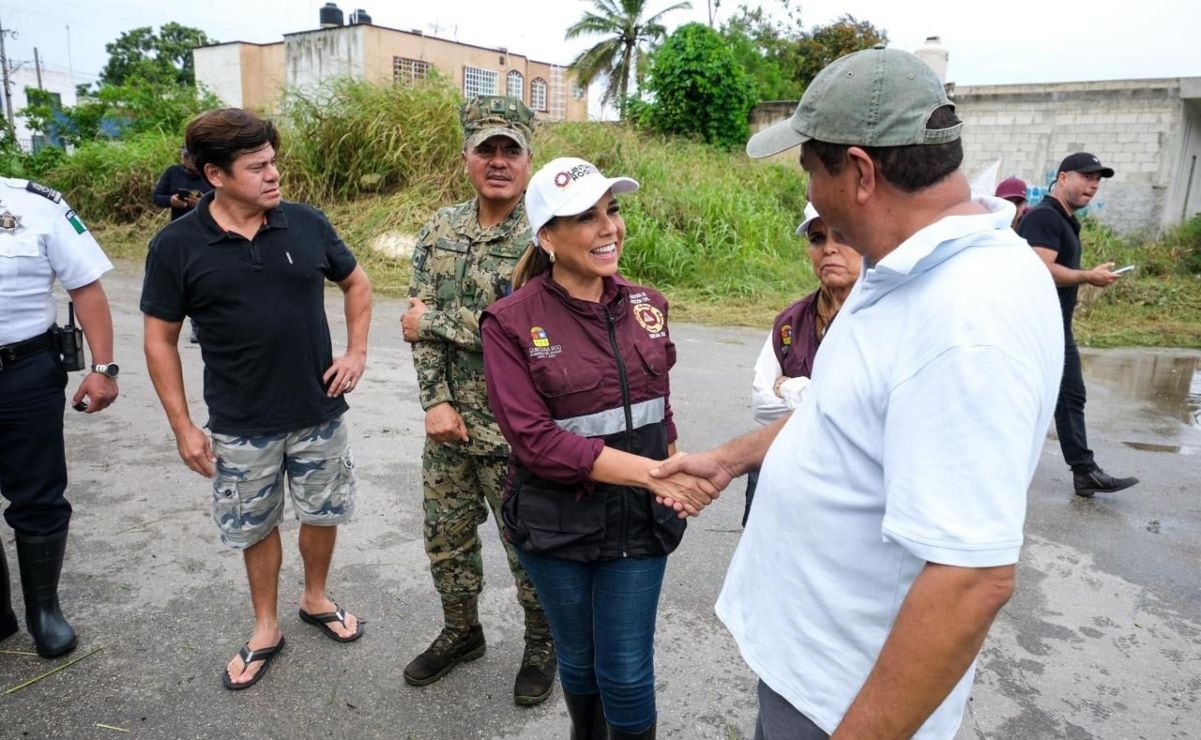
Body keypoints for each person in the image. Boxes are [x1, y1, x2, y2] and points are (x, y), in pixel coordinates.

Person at [653, 47, 1064, 739]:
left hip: (845, 699)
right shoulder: (901, 270)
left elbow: (970, 580)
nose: (807, 189)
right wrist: (736, 455)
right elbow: (847, 415)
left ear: (861, 172)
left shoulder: (965, 317)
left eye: (810, 167)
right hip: (811, 668)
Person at [141, 108, 373, 690]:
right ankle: (266, 625)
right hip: (241, 422)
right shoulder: (176, 245)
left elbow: (358, 283)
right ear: (215, 175)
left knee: (324, 512)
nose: (273, 175)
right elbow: (159, 338)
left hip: (318, 411)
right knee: (254, 525)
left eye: (274, 162)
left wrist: (356, 353)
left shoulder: (305, 223)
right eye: (257, 166)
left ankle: (315, 597)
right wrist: (183, 427)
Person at [480, 157, 709, 740]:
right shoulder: (509, 322)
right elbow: (533, 440)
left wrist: (673, 471)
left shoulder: (648, 306)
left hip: (638, 524)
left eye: (612, 210)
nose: (608, 228)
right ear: (547, 238)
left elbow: (661, 404)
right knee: (578, 661)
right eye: (585, 217)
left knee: (627, 672)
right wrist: (655, 475)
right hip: (555, 523)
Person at [400, 95, 555, 706]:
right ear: (466, 157)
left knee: (531, 550)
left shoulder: (545, 237)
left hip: (521, 432)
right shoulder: (439, 230)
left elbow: (532, 332)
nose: (497, 161)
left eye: (508, 151)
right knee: (446, 538)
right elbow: (415, 329)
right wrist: (435, 403)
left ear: (528, 159)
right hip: (451, 430)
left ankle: (545, 644)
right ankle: (461, 632)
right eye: (485, 149)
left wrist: (438, 317)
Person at [0, 178, 119, 659]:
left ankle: (43, 612)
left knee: (39, 494)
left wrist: (103, 369)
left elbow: (85, 286)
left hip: (23, 372)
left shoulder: (35, 205)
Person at [1018, 153, 1138, 498]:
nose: (1094, 185)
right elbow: (1041, 269)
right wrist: (1088, 276)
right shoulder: (1044, 217)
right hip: (1039, 327)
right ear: (1063, 177)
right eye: (1087, 177)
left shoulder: (1066, 220)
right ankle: (1083, 470)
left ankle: (1084, 472)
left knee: (1068, 396)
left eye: (1098, 180)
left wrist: (1088, 273)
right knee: (1060, 396)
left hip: (1054, 326)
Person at [743, 203, 862, 525]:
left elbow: (859, 411)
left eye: (842, 236)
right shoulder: (790, 321)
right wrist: (817, 397)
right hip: (780, 470)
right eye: (817, 239)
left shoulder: (882, 317)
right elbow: (761, 403)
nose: (829, 249)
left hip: (850, 486)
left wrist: (792, 387)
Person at [153, 146, 214, 343]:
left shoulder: (210, 174)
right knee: (182, 283)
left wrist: (202, 204)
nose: (187, 160)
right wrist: (171, 200)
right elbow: (157, 197)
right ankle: (176, 328)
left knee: (202, 282)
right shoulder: (172, 173)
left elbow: (222, 199)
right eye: (184, 156)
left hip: (206, 234)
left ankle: (200, 326)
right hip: (179, 236)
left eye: (191, 156)